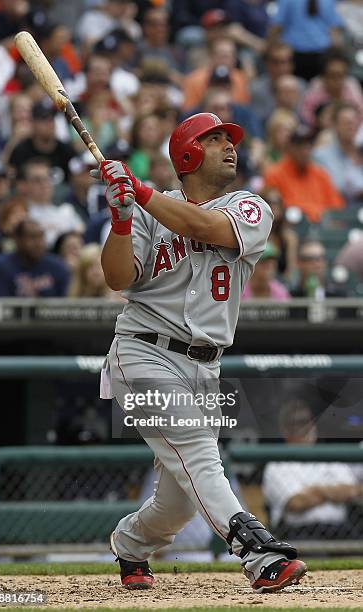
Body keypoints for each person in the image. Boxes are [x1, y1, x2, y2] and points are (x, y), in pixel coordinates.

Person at [95, 112, 307, 592]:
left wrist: (142, 195)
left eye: (228, 139)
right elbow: (118, 279)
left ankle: (130, 544)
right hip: (142, 351)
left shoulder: (251, 207)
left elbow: (208, 227)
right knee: (197, 451)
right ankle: (257, 552)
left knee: (178, 503)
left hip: (206, 366)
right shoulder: (150, 210)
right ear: (187, 154)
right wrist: (124, 218)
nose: (229, 146)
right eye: (214, 140)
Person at [263, 400, 363, 539]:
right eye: (299, 422)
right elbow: (296, 503)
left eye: (308, 420)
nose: (307, 426)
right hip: (298, 533)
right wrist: (333, 493)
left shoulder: (330, 457)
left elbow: (354, 490)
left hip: (340, 530)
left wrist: (316, 491)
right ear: (285, 430)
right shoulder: (276, 465)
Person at [263, 124, 344, 223]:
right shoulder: (275, 174)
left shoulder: (321, 174)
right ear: (290, 147)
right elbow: (274, 209)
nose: (305, 151)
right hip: (291, 228)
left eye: (308, 146)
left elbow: (337, 208)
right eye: (300, 146)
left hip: (323, 229)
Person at [0, 219, 70, 297]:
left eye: (41, 237)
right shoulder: (0, 266)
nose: (39, 244)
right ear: (18, 240)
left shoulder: (58, 267)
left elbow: (66, 305)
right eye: (33, 238)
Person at [268, 0, 344, 81]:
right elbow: (335, 31)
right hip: (308, 53)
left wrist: (268, 44)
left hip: (303, 53)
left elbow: (277, 26)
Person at [312, 102, 363, 205]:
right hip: (336, 214)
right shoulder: (320, 156)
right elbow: (327, 189)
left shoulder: (360, 152)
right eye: (346, 122)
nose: (351, 126)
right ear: (334, 125)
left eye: (353, 122)